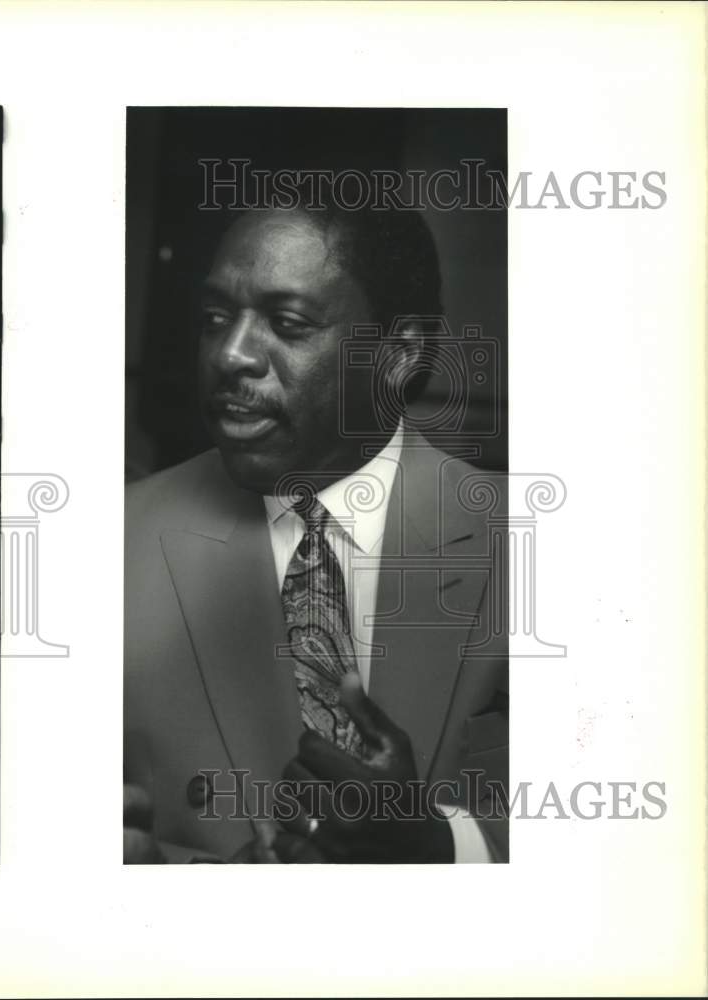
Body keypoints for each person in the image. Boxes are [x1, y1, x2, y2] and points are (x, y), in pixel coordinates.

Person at [124, 199, 508, 863]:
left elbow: (631, 852)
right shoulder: (109, 542)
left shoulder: (539, 543)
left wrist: (439, 845)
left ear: (400, 351)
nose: (231, 354)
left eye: (287, 323)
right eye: (215, 317)